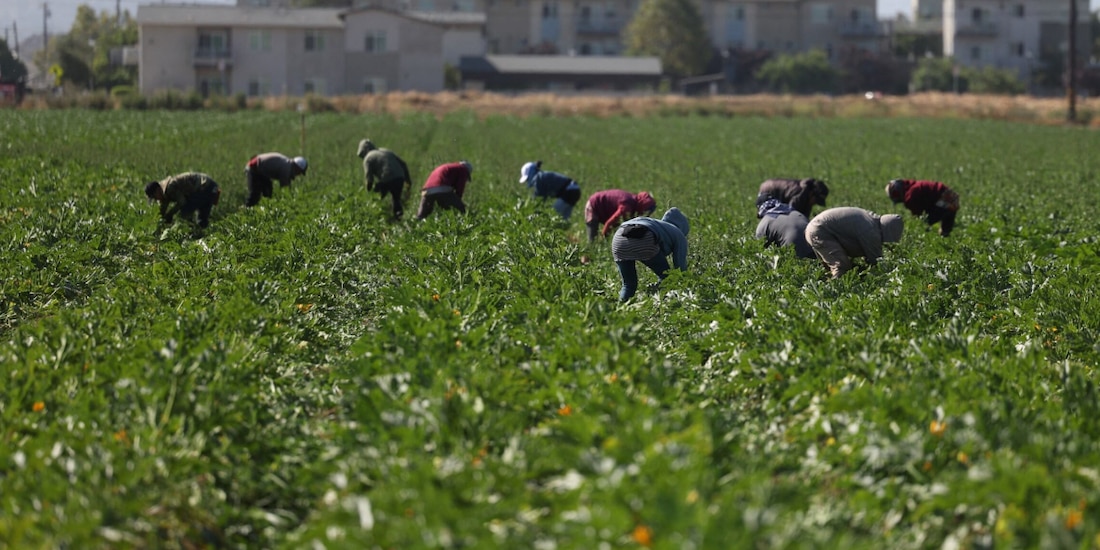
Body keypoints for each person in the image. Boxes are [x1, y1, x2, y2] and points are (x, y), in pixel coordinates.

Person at [611, 207, 690, 302]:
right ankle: (664, 301)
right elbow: (680, 266)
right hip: (644, 238)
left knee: (628, 285)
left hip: (619, 237)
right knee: (667, 278)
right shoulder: (678, 233)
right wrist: (686, 283)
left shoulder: (658, 225)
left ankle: (620, 307)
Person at [805, 207, 904, 278]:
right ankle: (836, 294)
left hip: (816, 228)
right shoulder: (870, 231)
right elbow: (876, 261)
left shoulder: (871, 220)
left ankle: (828, 281)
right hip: (820, 231)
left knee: (832, 266)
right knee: (841, 266)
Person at [358, 139, 413, 219]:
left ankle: (380, 217)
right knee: (396, 198)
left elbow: (369, 179)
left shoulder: (368, 158)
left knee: (378, 197)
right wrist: (408, 180)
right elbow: (403, 164)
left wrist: (368, 192)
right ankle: (398, 218)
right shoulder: (386, 151)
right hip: (399, 177)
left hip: (387, 178)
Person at [144, 172, 221, 229]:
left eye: (154, 197)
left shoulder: (170, 187)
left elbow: (182, 202)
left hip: (206, 187)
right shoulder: (163, 192)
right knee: (201, 221)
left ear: (157, 191)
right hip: (207, 187)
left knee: (185, 213)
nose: (156, 199)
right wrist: (158, 221)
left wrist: (170, 214)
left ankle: (194, 234)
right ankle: (200, 234)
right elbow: (162, 210)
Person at [886, 178, 960, 237]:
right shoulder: (913, 187)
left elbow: (918, 215)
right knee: (947, 221)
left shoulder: (910, 196)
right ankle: (945, 234)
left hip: (944, 199)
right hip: (951, 196)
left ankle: (938, 237)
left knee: (924, 223)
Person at [518, 160, 582, 220]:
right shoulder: (541, 176)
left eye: (527, 179)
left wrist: (529, 209)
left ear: (530, 174)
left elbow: (538, 198)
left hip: (569, 191)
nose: (527, 181)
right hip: (575, 190)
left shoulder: (538, 178)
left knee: (553, 215)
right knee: (563, 219)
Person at [584, 189, 656, 243]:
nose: (646, 215)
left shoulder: (634, 201)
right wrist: (603, 241)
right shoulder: (626, 208)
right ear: (642, 207)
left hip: (602, 206)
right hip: (594, 204)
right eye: (646, 212)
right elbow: (609, 224)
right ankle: (585, 260)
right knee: (592, 241)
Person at [756, 178, 829, 218]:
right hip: (769, 190)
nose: (815, 204)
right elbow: (790, 213)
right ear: (812, 194)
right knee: (770, 216)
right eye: (816, 201)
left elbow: (805, 214)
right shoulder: (800, 194)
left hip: (771, 186)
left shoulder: (807, 193)